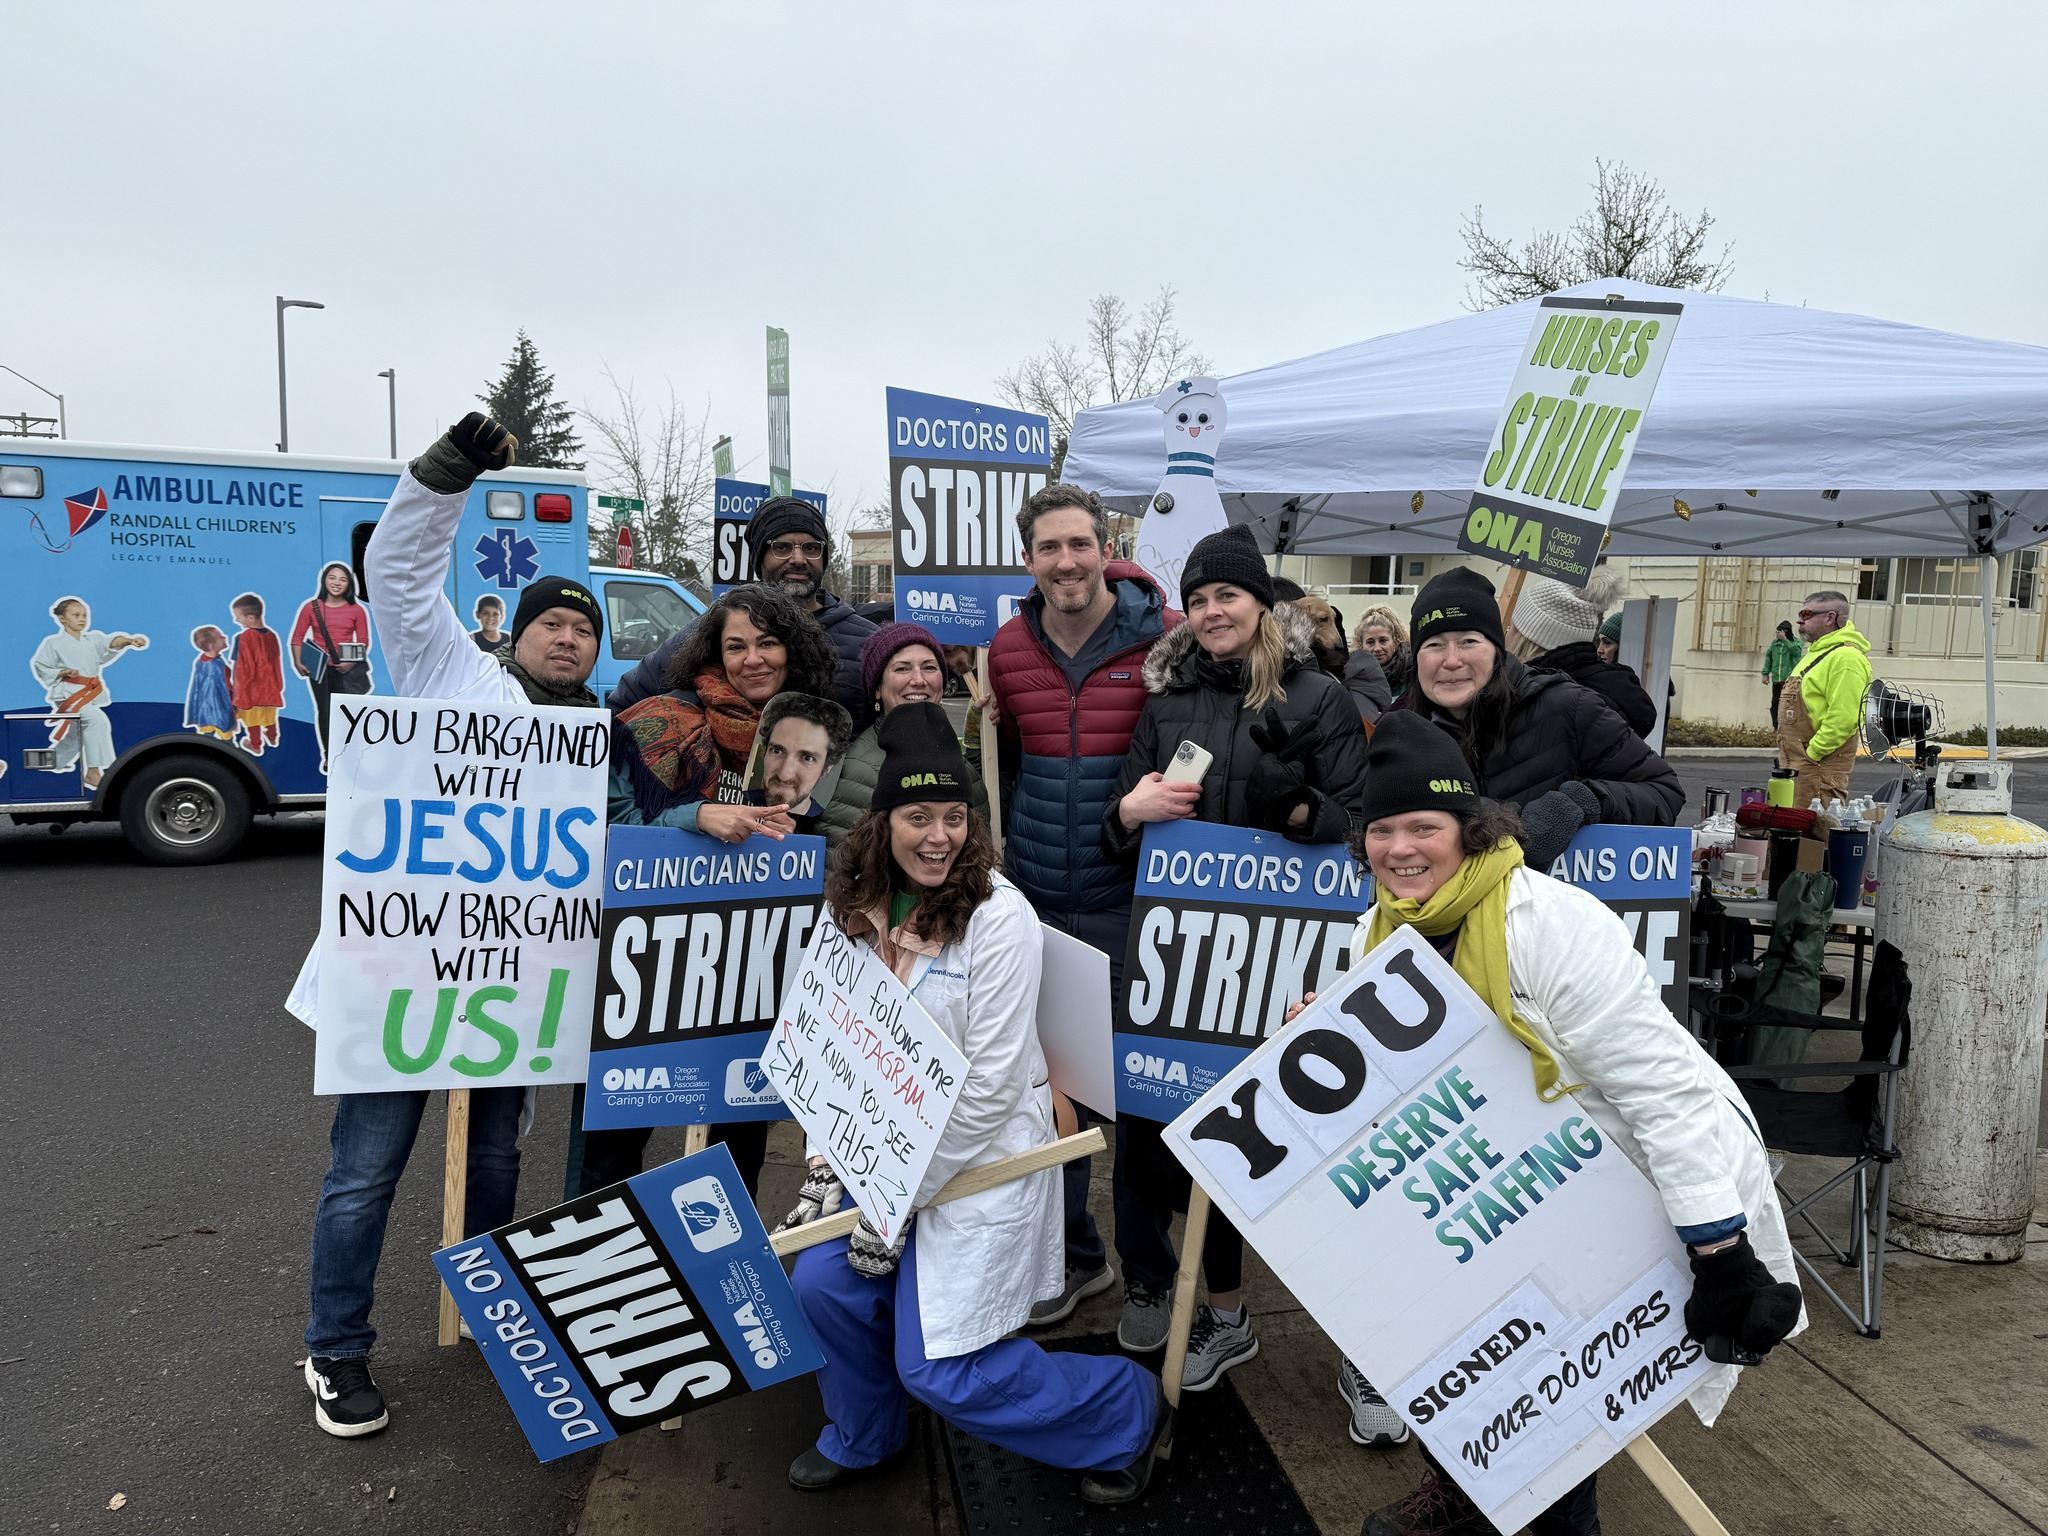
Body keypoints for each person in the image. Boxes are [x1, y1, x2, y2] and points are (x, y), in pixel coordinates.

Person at [1314, 712, 1801, 1535]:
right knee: (1479, 1352)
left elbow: (1661, 1095)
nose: (1401, 849)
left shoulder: (1556, 924)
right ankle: (1467, 1493)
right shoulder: (1376, 931)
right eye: (1382, 829)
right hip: (1512, 1178)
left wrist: (1718, 1250)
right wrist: (1321, 1033)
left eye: (1423, 827)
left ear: (1470, 830)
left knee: (1560, 1398)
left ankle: (1501, 1513)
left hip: (1639, 1168)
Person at [301, 412, 607, 1439]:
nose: (569, 637)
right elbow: (395, 566)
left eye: (584, 629)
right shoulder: (446, 672)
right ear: (514, 633)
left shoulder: (594, 737)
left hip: (510, 986)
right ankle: (335, 1350)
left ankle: (488, 1304)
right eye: (551, 623)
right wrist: (446, 474)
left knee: (492, 1160)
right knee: (364, 1174)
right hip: (397, 977)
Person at [786, 703, 1172, 1505]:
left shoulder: (1000, 920)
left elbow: (992, 1088)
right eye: (917, 816)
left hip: (983, 1157)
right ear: (879, 821)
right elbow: (829, 1045)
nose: (939, 837)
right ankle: (866, 1432)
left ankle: (1126, 1413)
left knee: (945, 1370)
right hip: (882, 1152)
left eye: (955, 817)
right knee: (820, 1287)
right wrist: (829, 1162)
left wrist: (897, 1199)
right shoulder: (851, 906)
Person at [1102, 523, 1371, 1394]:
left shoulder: (1317, 696)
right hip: (1184, 968)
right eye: (1203, 596)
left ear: (1262, 604)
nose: (1215, 610)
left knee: (1288, 1153)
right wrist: (1130, 811)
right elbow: (1118, 840)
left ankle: (1363, 1342)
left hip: (1281, 969)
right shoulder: (1165, 698)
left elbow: (1361, 827)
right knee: (1178, 1147)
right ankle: (1223, 1313)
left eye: (1230, 594)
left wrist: (1303, 816)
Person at [987, 482, 1180, 1328]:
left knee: (1131, 1101)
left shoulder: (1163, 642)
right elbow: (1004, 760)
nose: (1065, 562)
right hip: (1032, 901)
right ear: (1028, 559)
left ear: (1105, 548)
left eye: (1078, 544)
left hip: (1126, 902)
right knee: (1046, 1095)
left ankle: (1155, 1271)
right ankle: (1073, 1258)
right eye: (1048, 548)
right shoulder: (1003, 650)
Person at [585, 582, 840, 1203]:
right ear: (712, 651)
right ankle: (608, 1279)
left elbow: (827, 836)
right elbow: (607, 824)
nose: (753, 658)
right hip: (648, 960)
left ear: (793, 650)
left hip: (756, 970)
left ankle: (721, 1281)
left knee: (738, 1143)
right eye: (736, 645)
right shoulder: (656, 722)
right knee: (616, 1140)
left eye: (768, 642)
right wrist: (695, 817)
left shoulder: (814, 735)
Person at [1394, 568, 1682, 872]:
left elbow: (1663, 792)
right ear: (1417, 657)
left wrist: (1582, 800)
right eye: (1434, 644)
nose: (1452, 660)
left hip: (1551, 912)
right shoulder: (1400, 730)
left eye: (1468, 641)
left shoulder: (1568, 707)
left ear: (1497, 649)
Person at [609, 496, 878, 729]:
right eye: (781, 548)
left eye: (811, 548)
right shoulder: (715, 629)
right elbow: (626, 704)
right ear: (759, 559)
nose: (798, 559)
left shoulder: (867, 643)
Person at [818, 623, 986, 850]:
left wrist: (977, 742)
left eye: (929, 667)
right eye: (902, 669)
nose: (918, 680)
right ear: (877, 688)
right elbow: (843, 874)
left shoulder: (949, 751)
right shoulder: (858, 772)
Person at [1506, 571, 1657, 739]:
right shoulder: (1597, 694)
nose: (1506, 634)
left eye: (1511, 628)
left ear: (1528, 639)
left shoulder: (1547, 701)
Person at [29, 597, 147, 788]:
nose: (82, 619)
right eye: (76, 615)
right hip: (68, 692)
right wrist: (61, 672)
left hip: (88, 692)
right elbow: (40, 665)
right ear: (62, 619)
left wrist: (128, 640)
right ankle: (94, 771)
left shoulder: (92, 639)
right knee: (95, 721)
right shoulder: (54, 643)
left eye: (84, 615)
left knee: (77, 733)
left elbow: (111, 642)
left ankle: (49, 762)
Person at [1778, 590, 1871, 807]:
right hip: (1795, 767)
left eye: (1807, 614)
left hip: (1816, 771)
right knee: (1788, 832)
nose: (1799, 620)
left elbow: (1845, 718)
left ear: (1830, 618)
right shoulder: (1815, 654)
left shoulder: (1846, 658)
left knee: (1814, 836)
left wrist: (1813, 753)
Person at [290, 561, 376, 771]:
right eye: (332, 578)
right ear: (324, 580)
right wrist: (298, 661)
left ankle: (351, 754)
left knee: (348, 713)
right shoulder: (311, 607)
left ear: (349, 585)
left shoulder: (357, 610)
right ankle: (331, 756)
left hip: (346, 669)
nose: (337, 583)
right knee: (325, 712)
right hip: (319, 668)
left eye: (343, 579)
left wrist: (350, 662)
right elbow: (297, 637)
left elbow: (363, 640)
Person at [751, 689, 854, 828]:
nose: (784, 775)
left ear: (826, 769)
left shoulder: (828, 823)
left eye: (807, 758)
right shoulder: (738, 803)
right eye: (777, 751)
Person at [227, 593, 286, 755]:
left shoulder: (243, 637)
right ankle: (272, 736)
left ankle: (255, 744)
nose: (236, 620)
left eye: (238, 617)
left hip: (251, 690)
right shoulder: (272, 635)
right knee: (269, 716)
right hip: (270, 687)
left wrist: (237, 693)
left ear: (251, 618)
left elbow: (242, 668)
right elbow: (276, 662)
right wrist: (278, 686)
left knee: (251, 719)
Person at [1353, 605, 1411, 705]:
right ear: (1361, 645)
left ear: (1396, 640)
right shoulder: (1352, 677)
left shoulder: (1413, 672)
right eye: (1370, 642)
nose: (1377, 648)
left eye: (1383, 640)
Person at [1762, 618, 1805, 727]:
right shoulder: (1775, 644)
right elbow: (1769, 658)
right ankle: (1776, 727)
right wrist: (1765, 673)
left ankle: (1789, 727)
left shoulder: (1796, 642)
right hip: (1777, 679)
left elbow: (1796, 653)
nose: (1777, 634)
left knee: (1789, 705)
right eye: (1777, 632)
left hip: (1790, 680)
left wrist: (1785, 640)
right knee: (1775, 704)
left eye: (1779, 632)